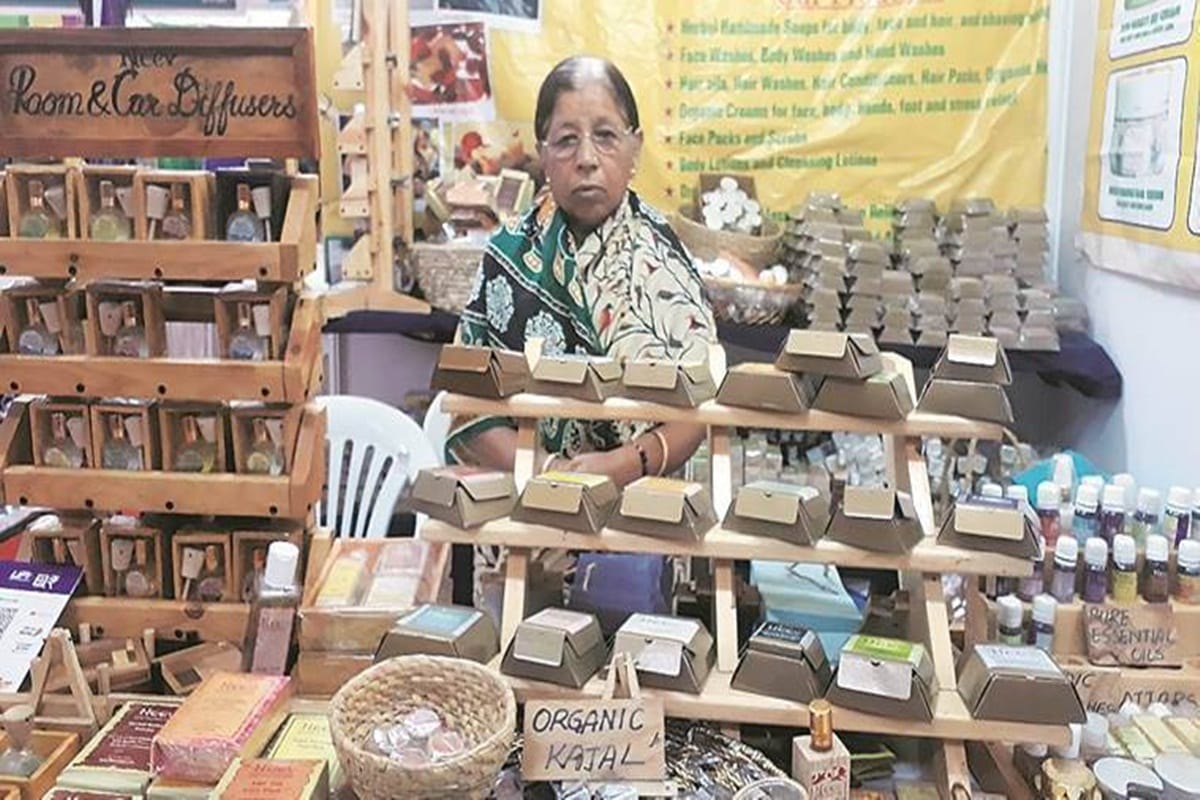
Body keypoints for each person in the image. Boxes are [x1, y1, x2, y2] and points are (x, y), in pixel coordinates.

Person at [445, 55, 718, 608]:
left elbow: (700, 408)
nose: (587, 158)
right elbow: (470, 410)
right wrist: (550, 474)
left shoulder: (665, 261)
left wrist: (623, 466)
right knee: (523, 654)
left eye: (606, 136)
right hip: (525, 529)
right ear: (543, 154)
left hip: (641, 528)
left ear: (635, 148)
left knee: (635, 656)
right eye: (566, 140)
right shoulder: (507, 259)